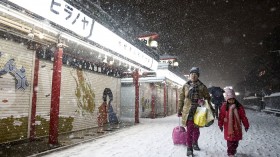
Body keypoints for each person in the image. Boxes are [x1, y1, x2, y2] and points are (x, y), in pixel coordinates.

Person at [178, 67, 215, 156]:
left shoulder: (202, 86)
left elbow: (208, 97)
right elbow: (181, 99)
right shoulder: (185, 86)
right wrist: (179, 110)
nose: (193, 76)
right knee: (189, 130)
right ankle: (189, 148)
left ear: (198, 76)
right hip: (188, 111)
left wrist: (203, 101)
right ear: (189, 75)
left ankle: (195, 143)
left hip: (199, 111)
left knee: (196, 130)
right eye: (192, 74)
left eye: (195, 74)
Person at [218, 88, 250, 157]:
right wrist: (220, 125)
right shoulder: (224, 107)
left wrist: (246, 125)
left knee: (236, 141)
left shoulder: (239, 107)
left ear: (235, 98)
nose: (231, 100)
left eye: (232, 99)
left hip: (237, 127)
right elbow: (221, 116)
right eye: (229, 99)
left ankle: (233, 150)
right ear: (227, 99)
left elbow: (243, 117)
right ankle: (230, 153)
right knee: (230, 141)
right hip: (228, 127)